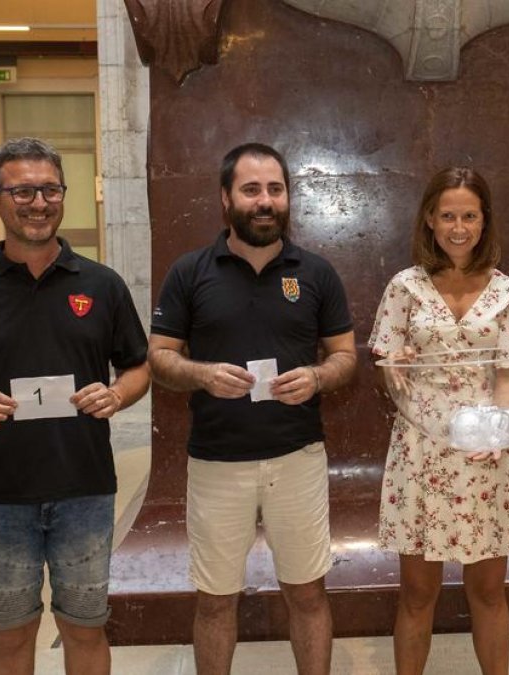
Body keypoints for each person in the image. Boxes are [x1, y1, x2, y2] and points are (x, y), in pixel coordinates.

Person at [0, 137, 150, 675]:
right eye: (21, 190)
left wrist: (117, 394)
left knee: (85, 626)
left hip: (85, 490)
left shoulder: (102, 285)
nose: (38, 202)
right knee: (12, 631)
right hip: (1, 496)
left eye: (49, 189)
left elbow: (138, 367)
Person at [148, 142, 356, 675]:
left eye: (275, 189)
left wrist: (316, 376)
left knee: (307, 593)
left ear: (288, 198)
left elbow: (346, 357)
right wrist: (201, 374)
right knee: (215, 600)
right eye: (251, 189)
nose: (265, 201)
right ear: (226, 199)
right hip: (218, 463)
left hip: (297, 459)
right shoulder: (189, 272)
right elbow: (160, 358)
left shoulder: (316, 274)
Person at [368, 167, 509, 675]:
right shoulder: (404, 287)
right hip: (422, 449)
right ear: (429, 219)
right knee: (418, 593)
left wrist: (502, 428)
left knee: (488, 591)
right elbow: (388, 372)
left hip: (486, 450)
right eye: (448, 215)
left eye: (469, 215)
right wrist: (395, 369)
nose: (458, 227)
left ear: (485, 221)